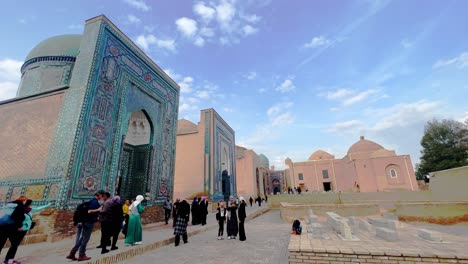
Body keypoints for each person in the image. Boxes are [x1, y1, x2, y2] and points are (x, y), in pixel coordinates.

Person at [4, 199, 51, 263]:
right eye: (30, 203)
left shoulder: (29, 210)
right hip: (20, 230)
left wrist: (47, 205)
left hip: (24, 230)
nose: (31, 205)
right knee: (14, 245)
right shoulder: (21, 210)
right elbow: (16, 219)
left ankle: (9, 259)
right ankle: (8, 260)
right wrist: (21, 227)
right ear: (28, 204)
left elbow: (38, 209)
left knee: (15, 245)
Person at [67, 190, 104, 261]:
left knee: (82, 238)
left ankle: (72, 253)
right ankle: (81, 255)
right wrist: (98, 209)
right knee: (85, 239)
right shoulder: (95, 202)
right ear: (99, 195)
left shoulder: (90, 200)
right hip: (88, 222)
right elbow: (89, 211)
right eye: (102, 196)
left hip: (85, 221)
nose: (102, 197)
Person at [0, 196, 27, 263]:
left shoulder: (8, 204)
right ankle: (8, 260)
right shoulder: (20, 206)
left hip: (2, 226)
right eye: (25, 200)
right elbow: (16, 217)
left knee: (0, 243)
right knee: (14, 244)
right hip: (12, 228)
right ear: (23, 200)